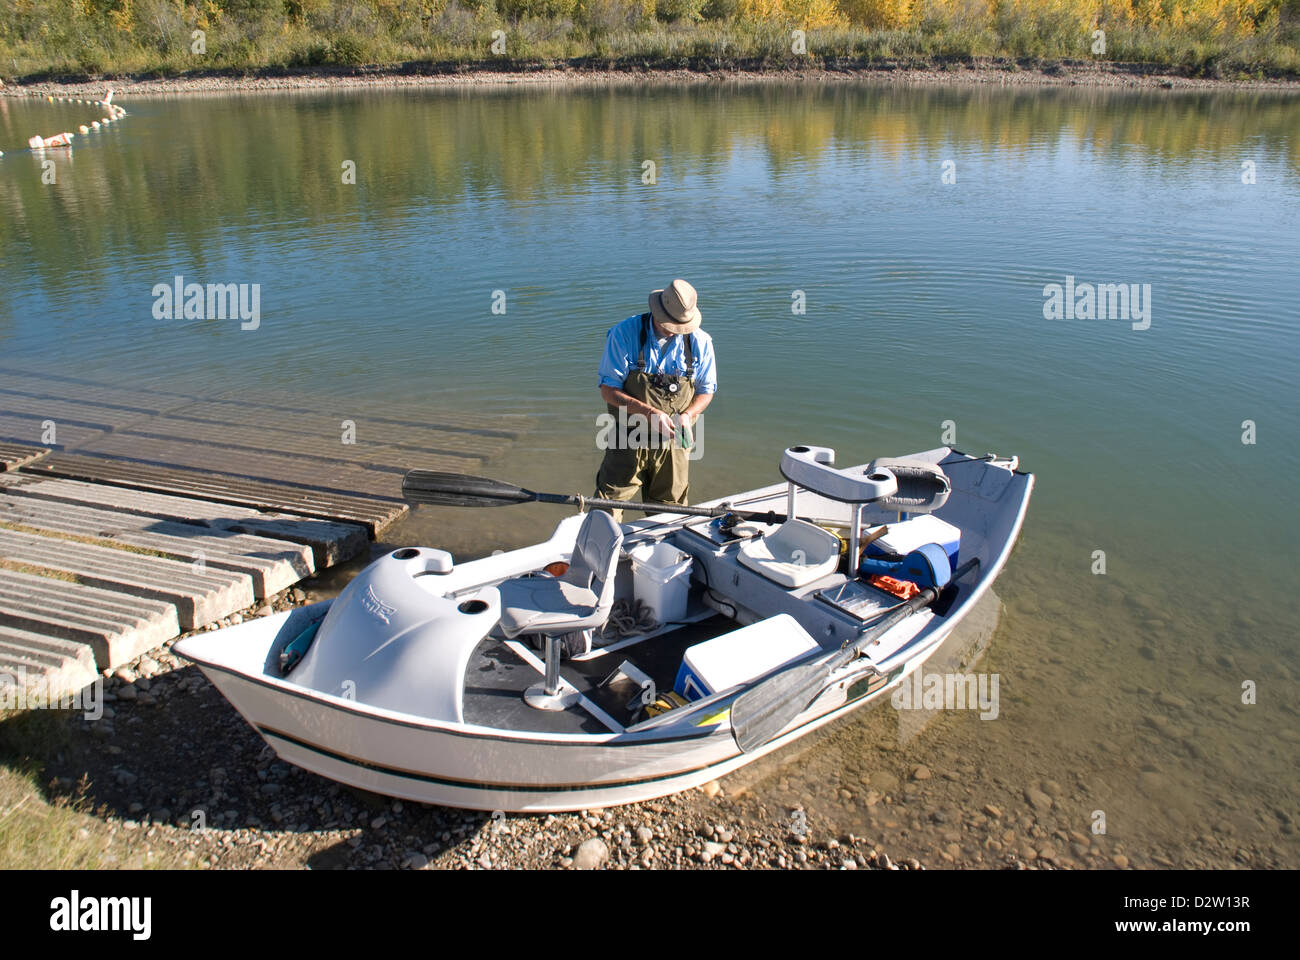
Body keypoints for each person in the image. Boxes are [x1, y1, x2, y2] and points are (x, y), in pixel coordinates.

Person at [595, 279, 717, 523]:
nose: (676, 331)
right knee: (607, 506)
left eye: (681, 326)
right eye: (670, 325)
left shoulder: (701, 341)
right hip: (627, 437)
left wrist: (688, 416)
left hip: (675, 441)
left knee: (671, 514)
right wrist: (650, 413)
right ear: (656, 312)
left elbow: (706, 390)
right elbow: (608, 390)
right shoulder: (624, 334)